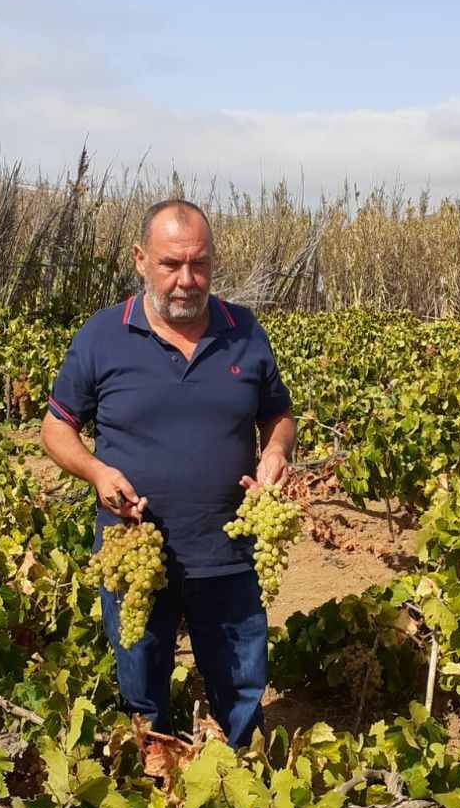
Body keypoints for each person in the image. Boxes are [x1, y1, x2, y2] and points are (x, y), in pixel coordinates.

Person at [41, 199, 296, 748]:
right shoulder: (102, 336)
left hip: (229, 555)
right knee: (142, 697)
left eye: (199, 264)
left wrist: (276, 452)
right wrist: (97, 472)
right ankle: (154, 781)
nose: (186, 280)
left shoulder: (244, 331)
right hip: (133, 552)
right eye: (171, 264)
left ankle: (238, 783)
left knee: (242, 695)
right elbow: (56, 428)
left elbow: (278, 416)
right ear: (140, 259)